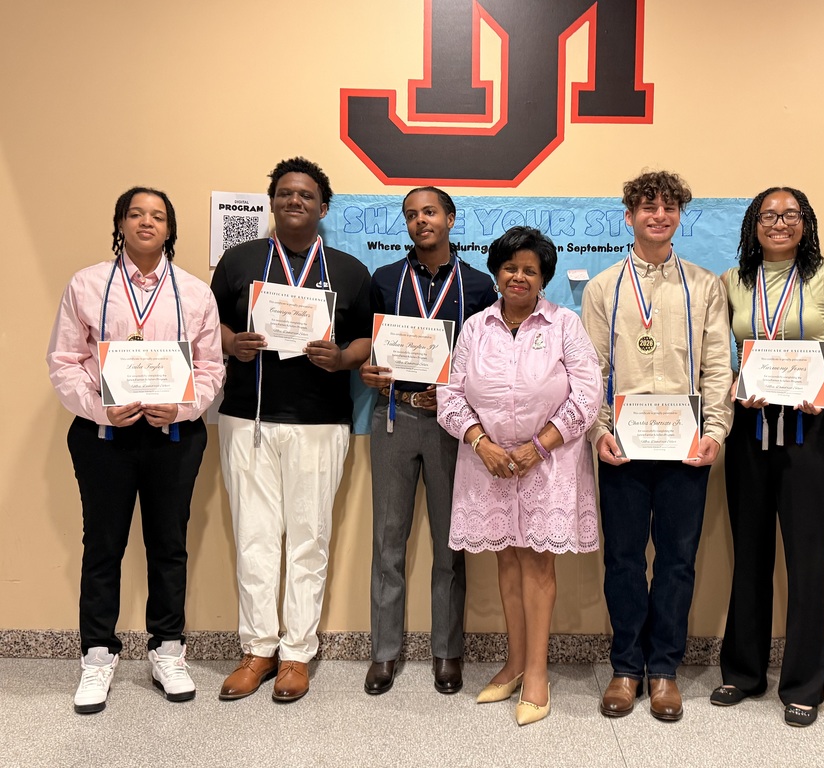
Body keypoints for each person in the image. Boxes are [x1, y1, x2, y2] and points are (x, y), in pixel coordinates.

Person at [47, 187, 225, 714]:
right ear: (120, 223)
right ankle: (97, 656)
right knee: (102, 546)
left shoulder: (193, 293)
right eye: (135, 213)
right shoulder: (88, 284)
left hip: (173, 434)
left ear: (170, 229)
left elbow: (212, 367)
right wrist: (101, 409)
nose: (147, 222)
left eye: (158, 216)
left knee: (168, 545)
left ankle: (167, 650)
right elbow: (65, 360)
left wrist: (186, 407)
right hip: (104, 435)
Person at [212, 157, 373, 703]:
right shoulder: (239, 261)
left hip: (320, 424)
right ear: (272, 201)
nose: (294, 201)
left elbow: (368, 342)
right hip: (246, 419)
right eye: (284, 193)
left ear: (322, 207)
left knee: (309, 538)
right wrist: (233, 344)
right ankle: (257, 649)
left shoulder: (349, 270)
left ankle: (297, 653)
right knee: (255, 539)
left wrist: (342, 356)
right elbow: (212, 325)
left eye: (305, 195)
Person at [581, 170, 733, 721]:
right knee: (622, 560)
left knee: (676, 561)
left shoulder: (704, 286)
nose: (658, 216)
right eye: (648, 207)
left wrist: (715, 431)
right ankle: (626, 668)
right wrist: (598, 431)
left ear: (679, 217)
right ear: (629, 216)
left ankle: (664, 669)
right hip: (621, 448)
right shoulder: (602, 288)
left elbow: (718, 366)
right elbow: (591, 370)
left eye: (669, 208)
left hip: (685, 449)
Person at [437, 226, 602, 725]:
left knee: (537, 566)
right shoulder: (474, 327)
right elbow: (450, 393)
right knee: (505, 562)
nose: (519, 277)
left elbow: (588, 394)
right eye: (511, 267)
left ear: (543, 277)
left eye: (530, 270)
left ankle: (536, 672)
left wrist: (541, 445)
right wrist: (479, 441)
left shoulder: (564, 326)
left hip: (546, 465)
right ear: (497, 272)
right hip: (487, 464)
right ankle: (512, 661)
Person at [711, 188, 824, 727]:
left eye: (790, 215)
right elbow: (719, 352)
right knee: (748, 551)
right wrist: (732, 387)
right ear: (753, 225)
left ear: (805, 222)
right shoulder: (733, 281)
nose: (779, 223)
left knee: (807, 557)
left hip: (808, 431)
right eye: (768, 215)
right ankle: (743, 672)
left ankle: (803, 683)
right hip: (749, 427)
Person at [359, 187, 494, 696]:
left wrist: (461, 395)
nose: (421, 221)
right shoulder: (385, 280)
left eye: (430, 212)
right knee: (387, 541)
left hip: (452, 425)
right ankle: (384, 654)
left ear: (451, 219)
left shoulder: (479, 285)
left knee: (448, 545)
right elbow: (369, 348)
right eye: (412, 215)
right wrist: (370, 372)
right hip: (393, 417)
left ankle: (447, 651)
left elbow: (488, 361)